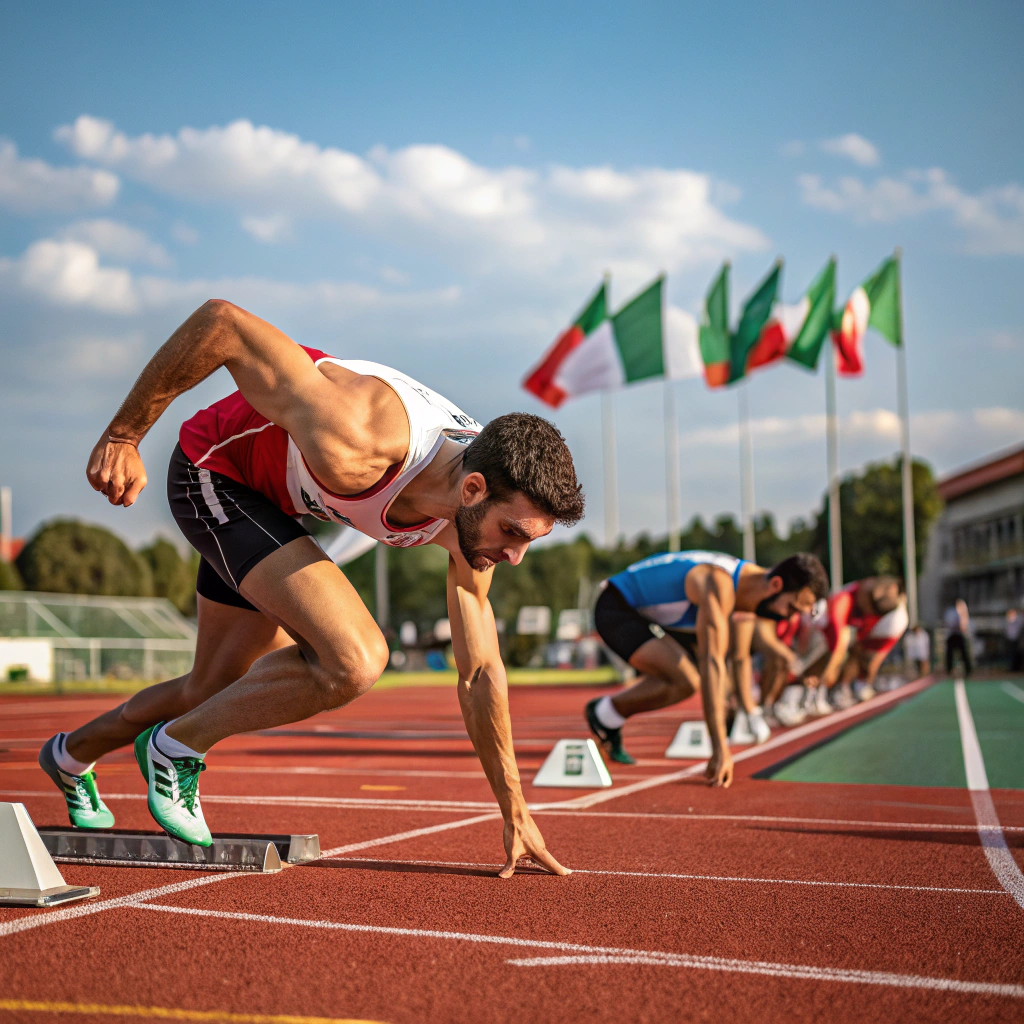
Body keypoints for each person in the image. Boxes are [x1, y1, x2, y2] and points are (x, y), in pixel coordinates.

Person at [38, 300, 584, 878]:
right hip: (212, 474)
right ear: (473, 488)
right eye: (513, 535)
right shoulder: (359, 433)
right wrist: (124, 435)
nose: (515, 557)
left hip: (274, 508)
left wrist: (515, 809)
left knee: (213, 684)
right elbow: (222, 324)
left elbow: (479, 672)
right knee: (354, 658)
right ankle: (174, 749)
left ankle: (70, 755)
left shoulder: (472, 528)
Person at [583, 550, 829, 786]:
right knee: (687, 681)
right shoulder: (719, 583)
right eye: (792, 609)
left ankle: (606, 714)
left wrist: (750, 711)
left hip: (660, 617)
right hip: (617, 606)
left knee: (699, 681)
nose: (790, 618)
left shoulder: (749, 593)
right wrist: (720, 748)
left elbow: (740, 659)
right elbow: (712, 660)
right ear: (776, 585)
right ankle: (605, 713)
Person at [812, 577, 909, 707]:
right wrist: (830, 672)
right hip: (817, 634)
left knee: (854, 654)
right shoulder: (843, 601)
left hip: (843, 635)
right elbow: (838, 643)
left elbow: (873, 657)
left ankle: (841, 688)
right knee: (830, 654)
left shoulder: (885, 615)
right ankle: (812, 694)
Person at [944, 598, 972, 678]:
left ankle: (968, 671)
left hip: (960, 636)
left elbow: (964, 626)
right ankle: (949, 670)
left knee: (964, 654)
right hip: (952, 635)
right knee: (949, 654)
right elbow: (950, 624)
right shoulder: (951, 612)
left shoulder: (963, 613)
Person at [1005, 608, 1022, 673]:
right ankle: (1011, 667)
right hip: (1010, 640)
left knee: (1016, 654)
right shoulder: (1008, 622)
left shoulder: (1017, 621)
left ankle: (1015, 668)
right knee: (1011, 654)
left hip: (1016, 640)